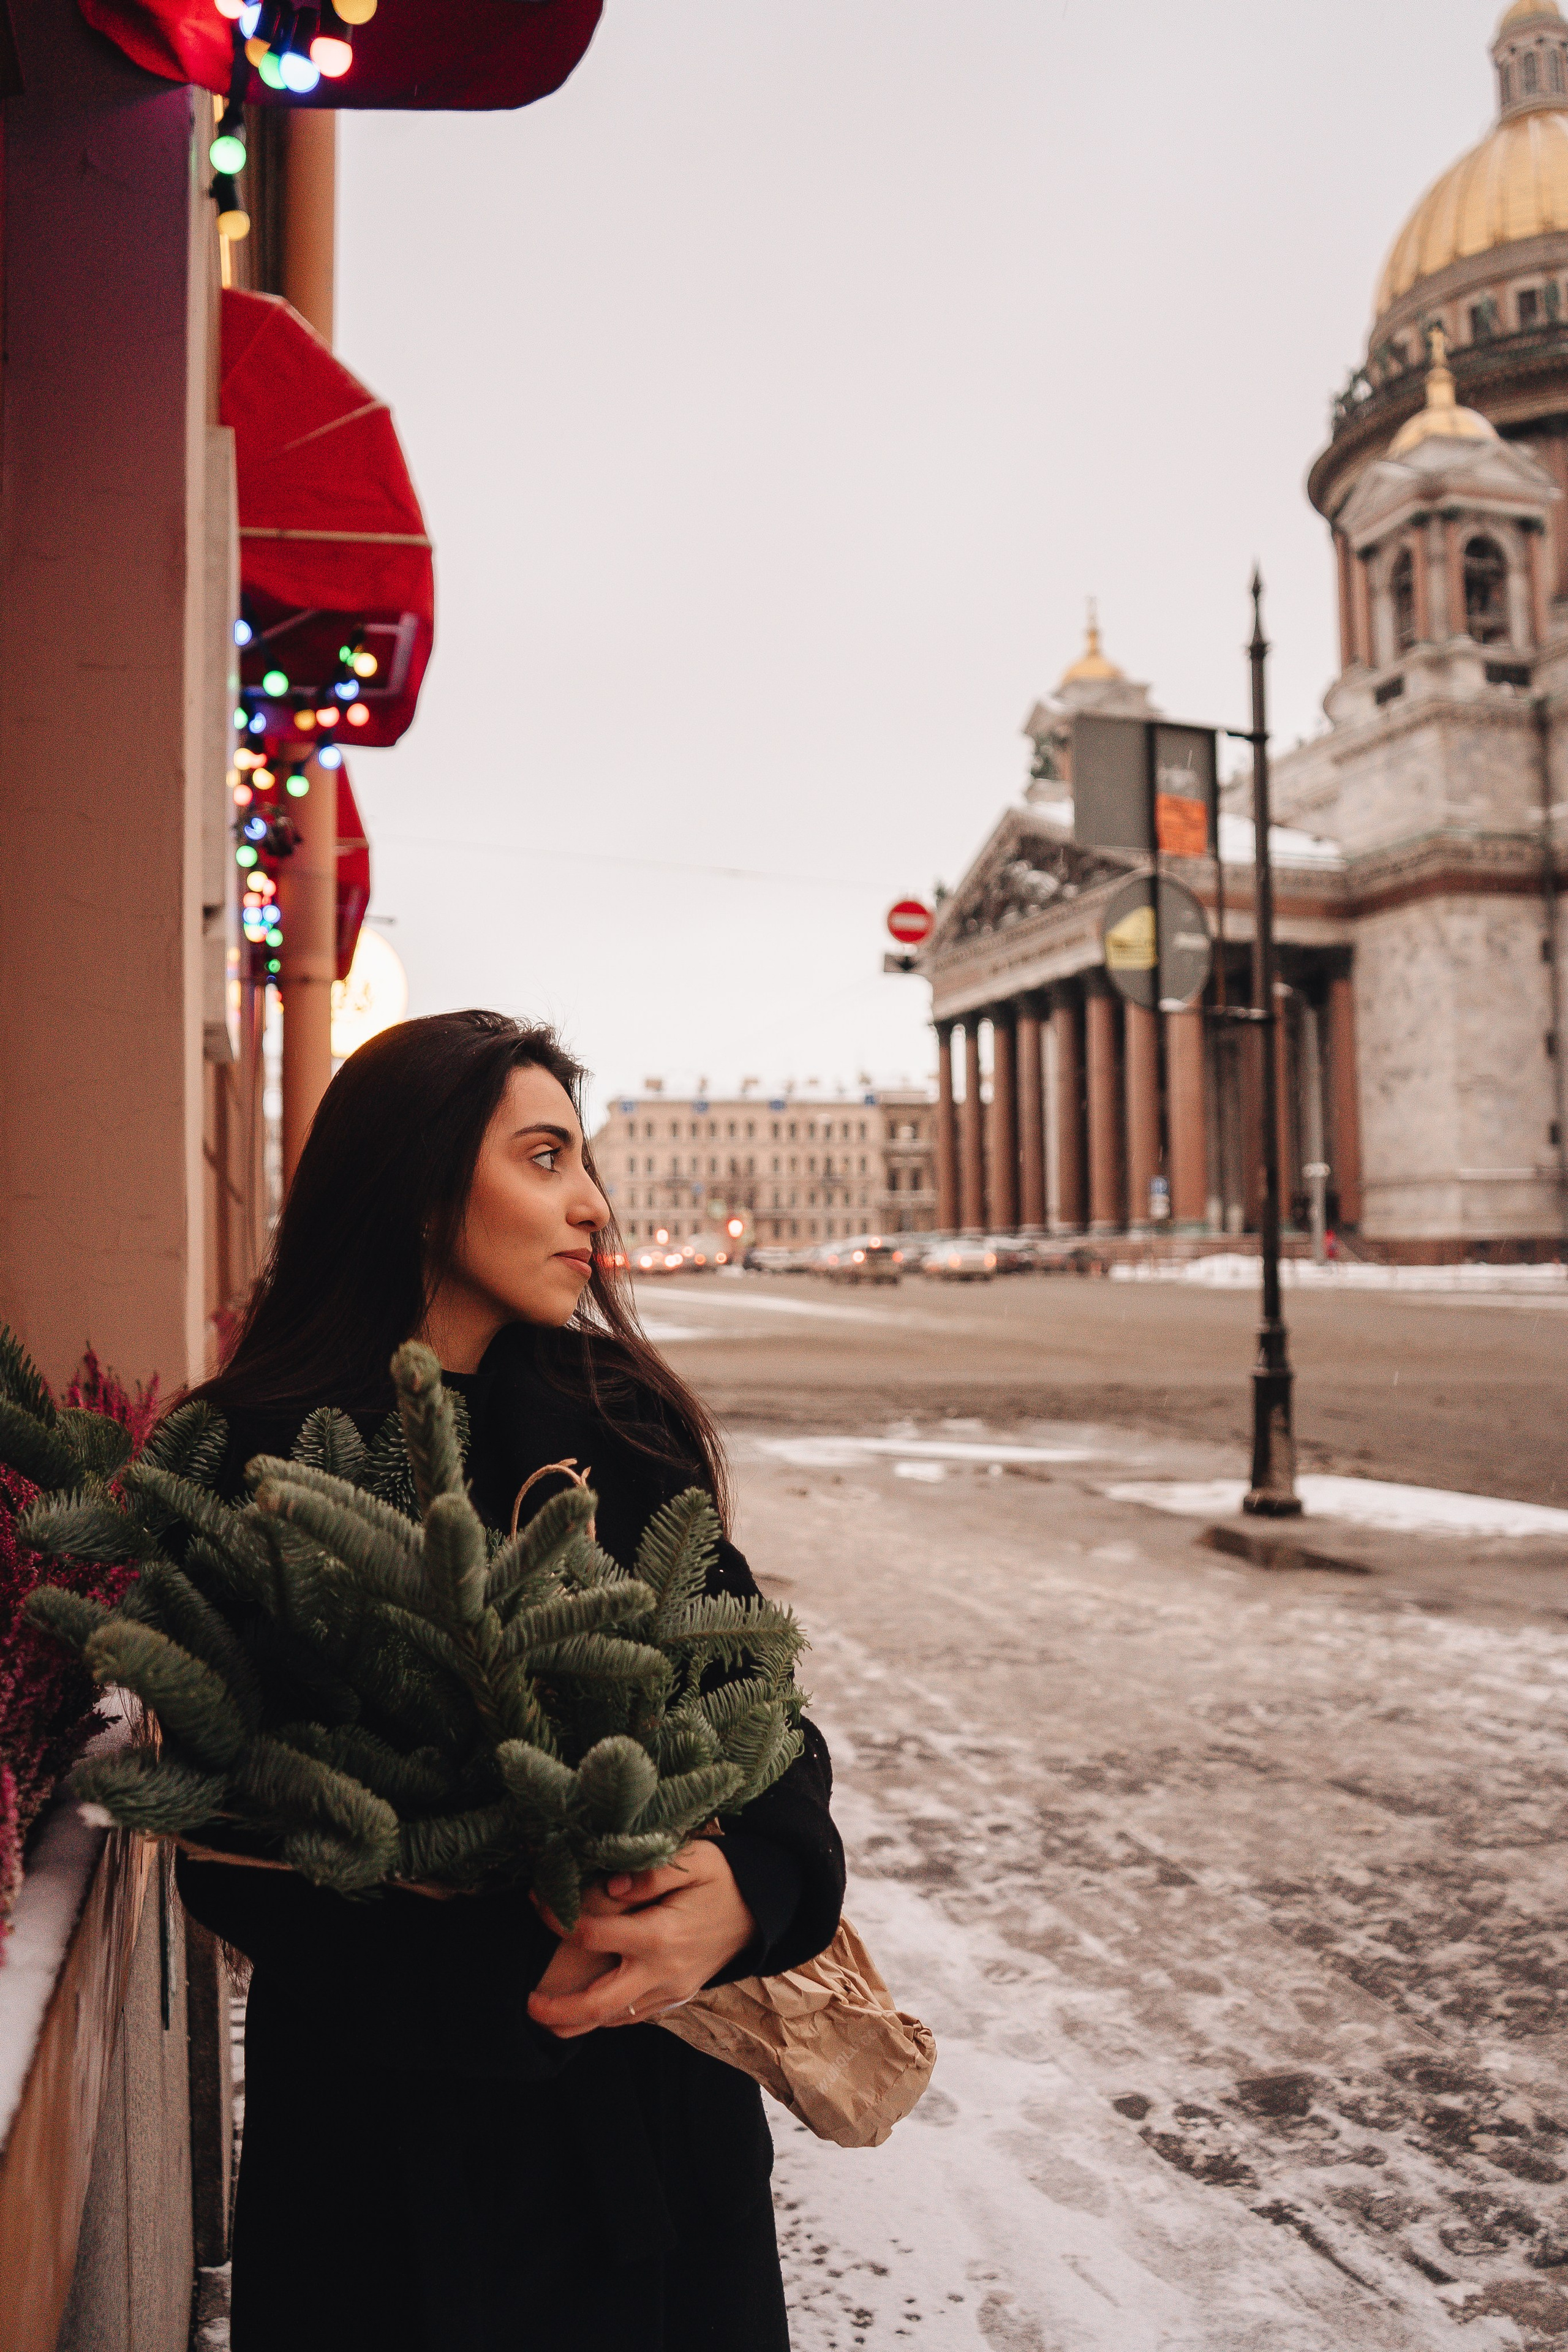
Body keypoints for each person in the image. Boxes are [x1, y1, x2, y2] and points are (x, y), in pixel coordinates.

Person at [177, 1010, 845, 2352]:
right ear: (422, 1188)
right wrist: (515, 1977)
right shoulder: (248, 1453)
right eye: (544, 1158)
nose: (591, 1203)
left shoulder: (618, 1422)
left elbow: (762, 1719)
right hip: (389, 2175)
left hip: (655, 2160)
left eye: (582, 1160)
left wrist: (755, 1892)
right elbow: (221, 1832)